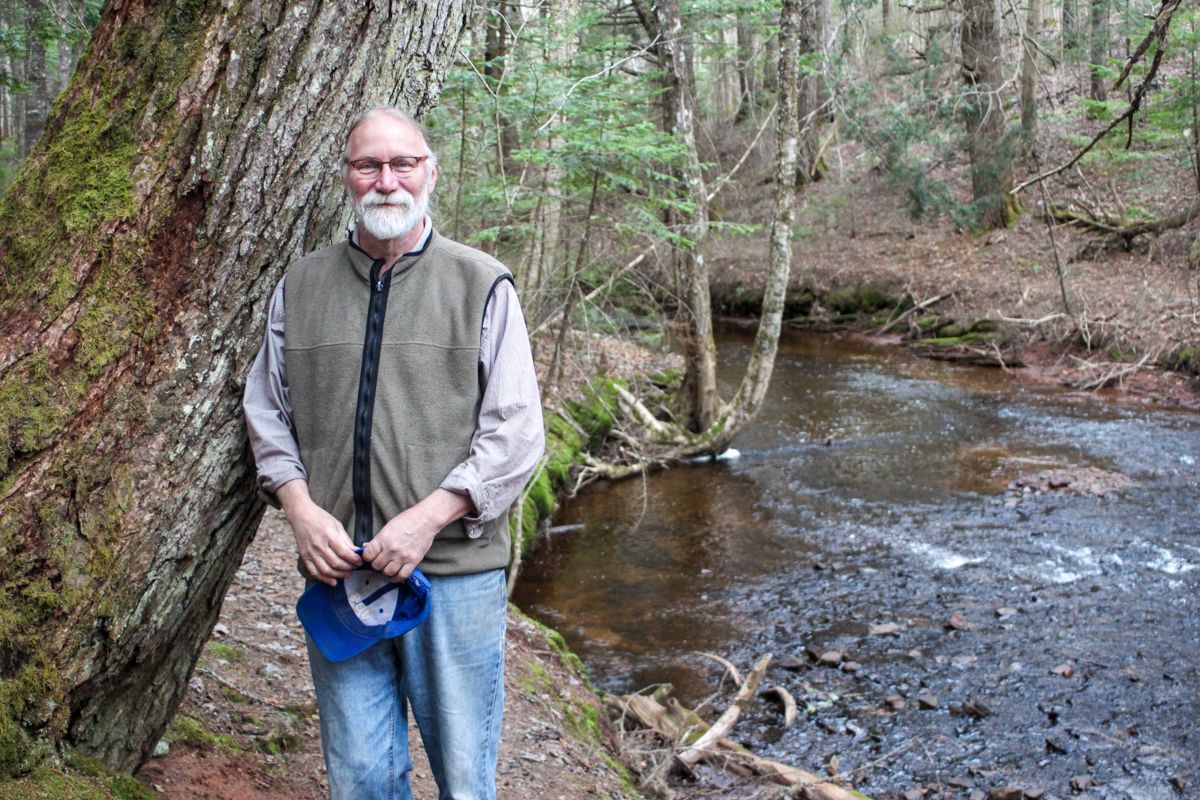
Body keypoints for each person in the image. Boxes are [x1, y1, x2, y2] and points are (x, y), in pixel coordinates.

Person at [242, 106, 544, 800]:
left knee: (465, 782)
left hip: (456, 579)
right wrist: (298, 508)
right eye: (367, 165)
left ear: (429, 172)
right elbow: (267, 409)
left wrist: (428, 517)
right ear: (346, 178)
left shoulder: (480, 283)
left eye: (402, 163)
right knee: (361, 781)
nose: (386, 181)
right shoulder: (302, 286)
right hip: (338, 576)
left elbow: (518, 431)